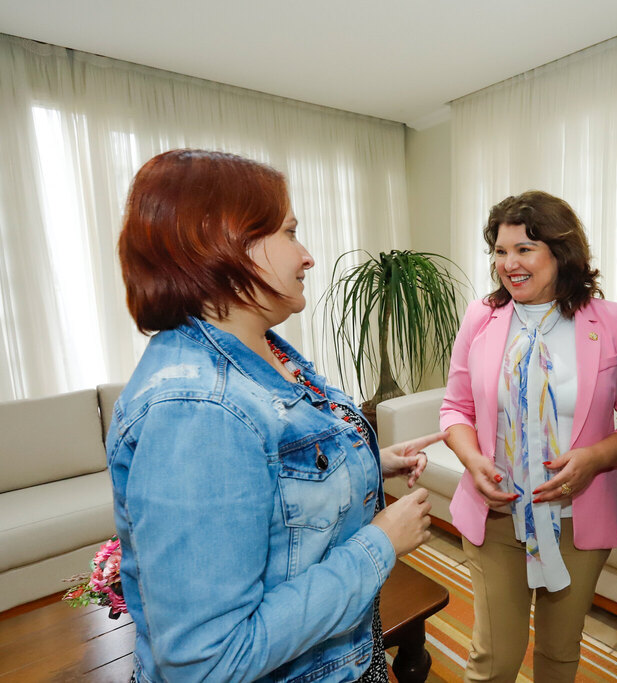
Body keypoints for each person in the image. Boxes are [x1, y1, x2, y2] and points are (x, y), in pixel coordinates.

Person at [108, 149, 442, 682]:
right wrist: (381, 542)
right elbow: (208, 662)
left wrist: (367, 463)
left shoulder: (268, 353)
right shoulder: (199, 413)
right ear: (220, 242)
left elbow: (275, 481)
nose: (307, 256)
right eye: (289, 233)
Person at [440, 191, 617, 682]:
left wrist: (596, 458)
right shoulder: (481, 317)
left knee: (560, 655)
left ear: (560, 253)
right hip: (498, 517)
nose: (508, 263)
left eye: (524, 249)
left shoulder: (612, 322)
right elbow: (456, 407)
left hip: (578, 524)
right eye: (500, 250)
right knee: (494, 658)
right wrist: (473, 460)